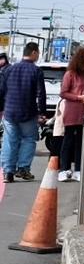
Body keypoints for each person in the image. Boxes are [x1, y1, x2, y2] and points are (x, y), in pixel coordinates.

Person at [0, 42, 48, 182]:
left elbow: (2, 91)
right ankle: (23, 168)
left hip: (10, 111)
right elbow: (41, 94)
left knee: (9, 141)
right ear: (33, 52)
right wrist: (42, 113)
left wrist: (2, 108)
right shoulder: (36, 71)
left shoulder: (9, 70)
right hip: (28, 112)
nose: (38, 55)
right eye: (38, 52)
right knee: (29, 139)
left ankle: (8, 172)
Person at [57, 47, 84, 182]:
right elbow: (63, 93)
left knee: (81, 142)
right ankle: (63, 169)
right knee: (67, 140)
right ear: (82, 59)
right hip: (72, 110)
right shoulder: (70, 74)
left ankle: (78, 169)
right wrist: (79, 97)